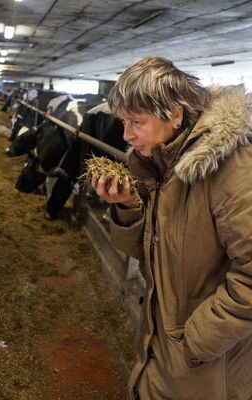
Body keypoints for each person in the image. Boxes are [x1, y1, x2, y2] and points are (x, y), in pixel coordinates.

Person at [91, 56, 252, 400]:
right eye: (123, 121)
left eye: (137, 121)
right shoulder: (161, 165)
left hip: (208, 364)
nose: (126, 135)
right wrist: (129, 207)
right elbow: (155, 252)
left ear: (175, 114)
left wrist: (196, 339)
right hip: (162, 345)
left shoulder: (233, 167)